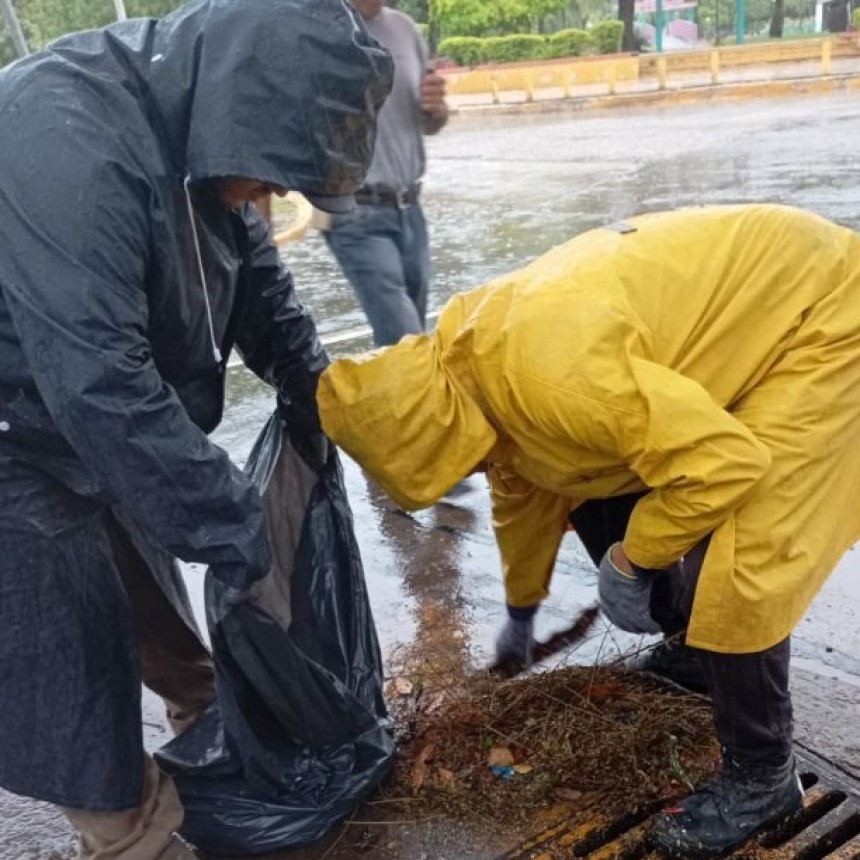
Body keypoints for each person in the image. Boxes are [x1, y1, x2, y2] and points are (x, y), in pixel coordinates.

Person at [316, 203, 860, 859]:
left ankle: (762, 777)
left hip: (827, 317)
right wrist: (521, 611)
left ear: (438, 427)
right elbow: (526, 487)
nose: (472, 471)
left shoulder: (550, 377)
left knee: (743, 559)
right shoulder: (466, 368)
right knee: (586, 476)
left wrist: (634, 559)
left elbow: (725, 466)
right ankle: (695, 652)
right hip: (753, 315)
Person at [0, 1, 392, 858]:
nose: (278, 193)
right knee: (71, 670)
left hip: (87, 408)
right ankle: (131, 836)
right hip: (15, 432)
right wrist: (236, 521)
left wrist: (317, 398)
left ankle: (222, 735)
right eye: (277, 169)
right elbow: (101, 386)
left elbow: (259, 287)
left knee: (168, 617)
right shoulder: (66, 142)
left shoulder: (204, 132)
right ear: (242, 109)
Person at [322, 0, 449, 347]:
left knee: (411, 341)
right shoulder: (317, 30)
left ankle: (394, 382)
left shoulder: (404, 28)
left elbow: (430, 122)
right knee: (405, 340)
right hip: (352, 212)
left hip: (410, 208)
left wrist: (436, 109)